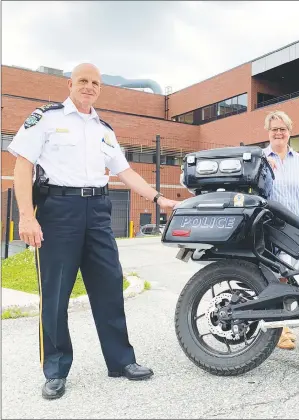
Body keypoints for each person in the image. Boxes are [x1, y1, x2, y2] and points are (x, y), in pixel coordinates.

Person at [8, 63, 179, 400]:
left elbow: (125, 171)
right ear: (70, 84)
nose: (89, 87)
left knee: (109, 287)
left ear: (100, 89)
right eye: (83, 81)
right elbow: (22, 165)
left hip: (98, 212)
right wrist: (27, 217)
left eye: (95, 83)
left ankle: (121, 361)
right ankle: (55, 370)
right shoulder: (47, 118)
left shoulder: (104, 129)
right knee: (55, 294)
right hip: (58, 211)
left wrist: (158, 198)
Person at [263, 110, 299, 350]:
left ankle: (284, 323)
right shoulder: (261, 158)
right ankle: (278, 328)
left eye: (282, 128)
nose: (278, 132)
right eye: (274, 128)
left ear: (289, 131)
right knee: (273, 275)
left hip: (294, 227)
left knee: (292, 274)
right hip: (268, 226)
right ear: (268, 131)